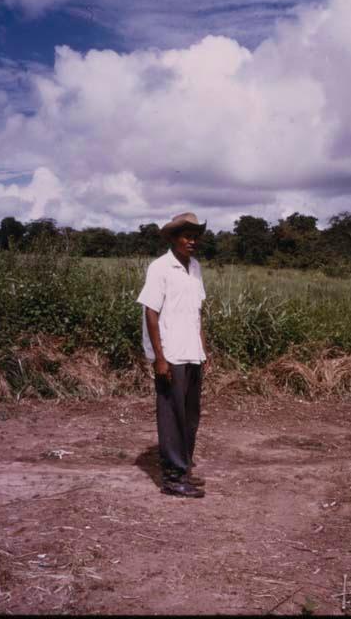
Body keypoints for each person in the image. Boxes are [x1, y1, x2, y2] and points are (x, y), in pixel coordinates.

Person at [137, 212, 208, 498]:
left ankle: (184, 469)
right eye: (187, 236)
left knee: (190, 416)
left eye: (195, 236)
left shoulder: (196, 268)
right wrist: (160, 358)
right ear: (173, 238)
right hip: (171, 355)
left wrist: (204, 349)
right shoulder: (160, 268)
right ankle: (172, 478)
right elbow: (151, 312)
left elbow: (197, 314)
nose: (192, 241)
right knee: (171, 416)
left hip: (193, 353)